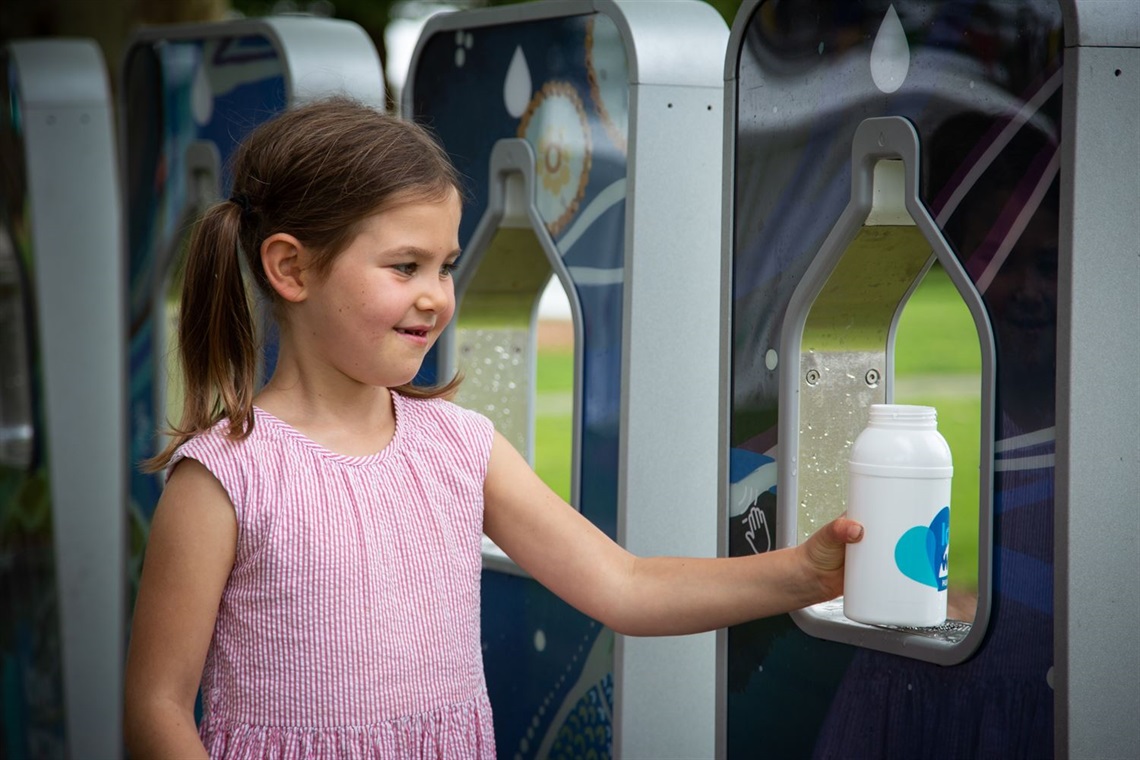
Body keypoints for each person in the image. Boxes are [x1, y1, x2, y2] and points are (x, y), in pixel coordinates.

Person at [122, 97, 863, 759]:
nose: (436, 298)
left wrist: (798, 573)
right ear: (291, 268)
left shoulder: (459, 447)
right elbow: (155, 707)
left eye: (444, 266)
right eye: (404, 265)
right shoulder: (225, 477)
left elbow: (626, 586)